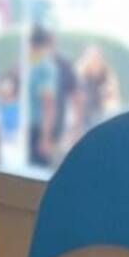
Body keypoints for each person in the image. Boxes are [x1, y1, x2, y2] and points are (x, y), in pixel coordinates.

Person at [25, 26, 75, 168]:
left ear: (33, 45)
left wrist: (45, 138)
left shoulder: (45, 67)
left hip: (40, 129)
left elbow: (48, 104)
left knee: (36, 172)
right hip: (33, 127)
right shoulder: (35, 65)